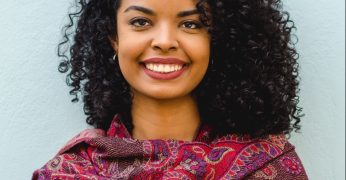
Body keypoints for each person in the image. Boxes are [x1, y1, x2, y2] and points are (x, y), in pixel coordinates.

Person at [33, 0, 308, 179]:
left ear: (217, 40)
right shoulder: (71, 172)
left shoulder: (268, 166)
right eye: (141, 22)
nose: (164, 41)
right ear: (114, 38)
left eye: (191, 24)